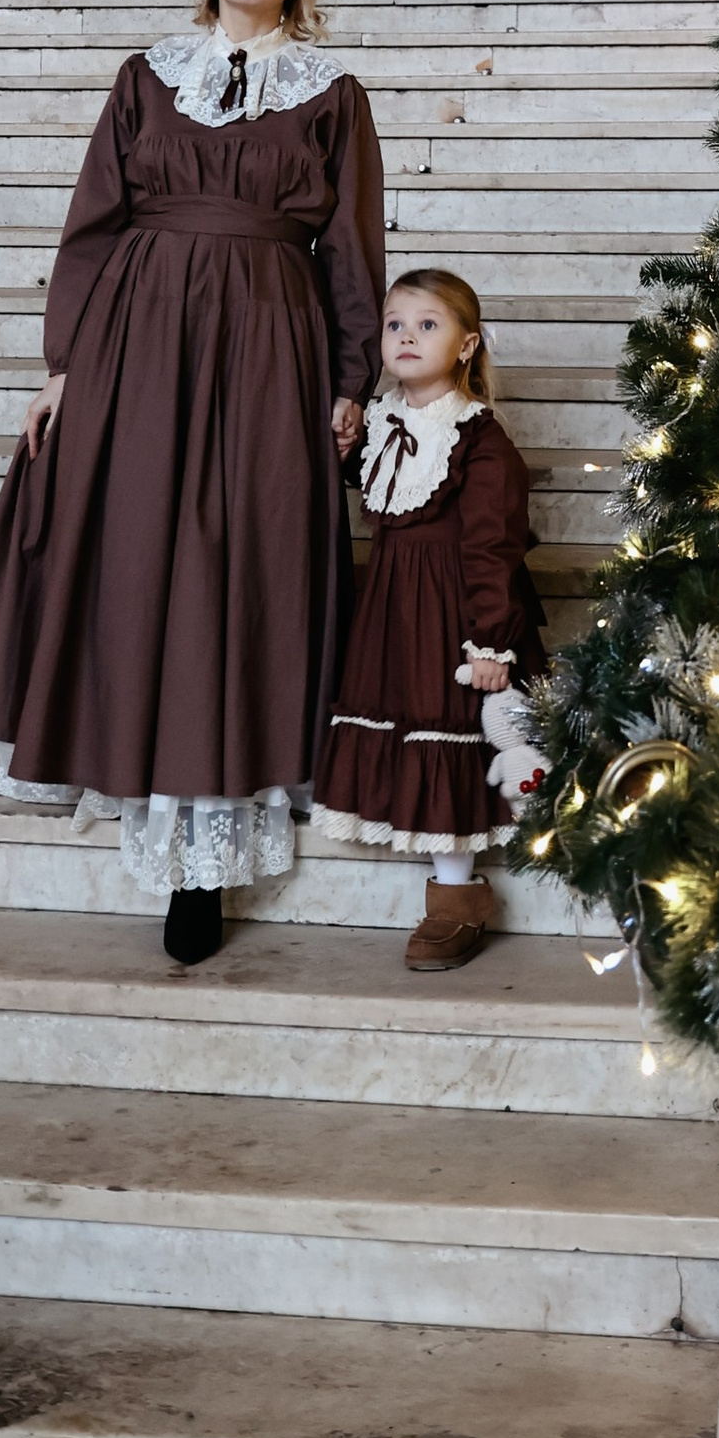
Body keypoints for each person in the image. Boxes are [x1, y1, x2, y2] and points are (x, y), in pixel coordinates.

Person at [0, 0, 384, 968]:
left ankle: (205, 863)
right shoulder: (146, 77)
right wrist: (64, 370)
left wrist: (351, 380)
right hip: (140, 346)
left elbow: (353, 252)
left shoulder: (333, 94)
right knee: (138, 562)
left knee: (237, 575)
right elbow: (92, 226)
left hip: (270, 349)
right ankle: (137, 785)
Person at [310, 267, 549, 970]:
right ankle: (437, 867)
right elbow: (384, 485)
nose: (407, 337)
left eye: (427, 325)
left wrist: (490, 642)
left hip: (452, 615)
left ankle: (455, 897)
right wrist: (347, 452)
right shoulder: (383, 420)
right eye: (395, 325)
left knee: (450, 737)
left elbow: (493, 548)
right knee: (402, 723)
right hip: (392, 611)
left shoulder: (479, 440)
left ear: (467, 345)